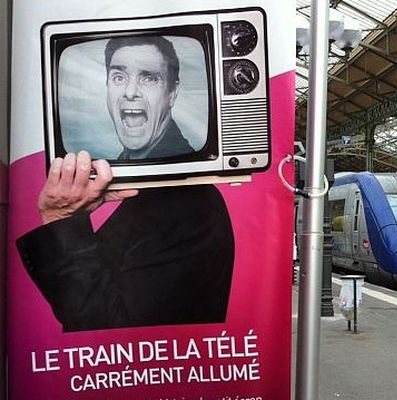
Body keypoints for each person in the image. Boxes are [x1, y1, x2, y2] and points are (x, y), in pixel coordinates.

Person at [16, 36, 235, 331]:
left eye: (149, 78)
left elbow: (112, 332)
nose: (130, 92)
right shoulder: (137, 182)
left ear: (172, 93)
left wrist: (61, 218)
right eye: (118, 76)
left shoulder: (189, 206)